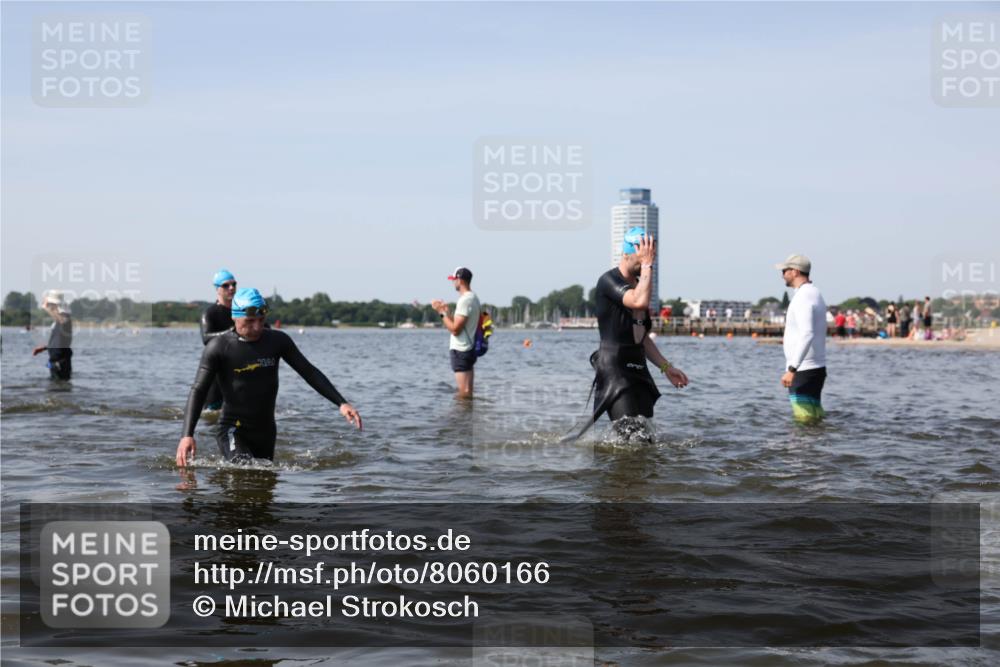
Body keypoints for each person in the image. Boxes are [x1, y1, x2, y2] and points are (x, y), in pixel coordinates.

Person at [175, 288, 361, 465]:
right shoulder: (219, 347)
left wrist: (341, 402)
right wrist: (187, 435)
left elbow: (309, 371)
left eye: (261, 319)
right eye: (249, 321)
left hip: (266, 432)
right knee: (245, 472)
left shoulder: (277, 341)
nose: (257, 327)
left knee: (264, 485)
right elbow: (199, 389)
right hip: (233, 428)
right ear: (235, 316)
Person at [591, 227, 688, 435]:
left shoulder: (640, 284)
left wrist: (666, 367)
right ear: (625, 254)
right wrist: (647, 265)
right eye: (641, 258)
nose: (646, 263)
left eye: (651, 257)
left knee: (646, 439)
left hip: (638, 368)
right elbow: (638, 301)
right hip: (614, 370)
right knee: (631, 436)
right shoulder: (609, 281)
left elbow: (641, 337)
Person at [776, 254, 827, 423]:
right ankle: (816, 448)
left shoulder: (803, 296)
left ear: (795, 271)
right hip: (813, 368)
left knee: (804, 422)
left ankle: (803, 450)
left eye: (785, 270)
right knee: (814, 419)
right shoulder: (813, 292)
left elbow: (807, 333)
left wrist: (792, 369)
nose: (782, 274)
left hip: (803, 370)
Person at [431, 267, 481, 398]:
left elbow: (455, 330)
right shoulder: (473, 297)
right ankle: (467, 418)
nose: (453, 282)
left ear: (460, 280)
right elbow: (460, 324)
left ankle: (462, 417)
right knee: (468, 392)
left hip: (461, 350)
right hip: (468, 349)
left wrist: (440, 313)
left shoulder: (465, 300)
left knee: (463, 393)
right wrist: (447, 313)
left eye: (454, 279)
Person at [201, 269, 238, 410]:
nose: (232, 288)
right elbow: (206, 338)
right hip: (216, 370)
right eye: (226, 285)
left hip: (236, 369)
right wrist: (231, 332)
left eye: (234, 284)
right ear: (217, 289)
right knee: (211, 413)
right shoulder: (210, 313)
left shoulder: (240, 312)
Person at [31, 290, 73, 380]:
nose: (49, 306)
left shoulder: (65, 318)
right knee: (54, 390)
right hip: (55, 362)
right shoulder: (57, 321)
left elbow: (61, 320)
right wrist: (45, 347)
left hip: (61, 362)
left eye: (50, 304)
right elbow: (59, 340)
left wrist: (47, 308)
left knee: (59, 391)